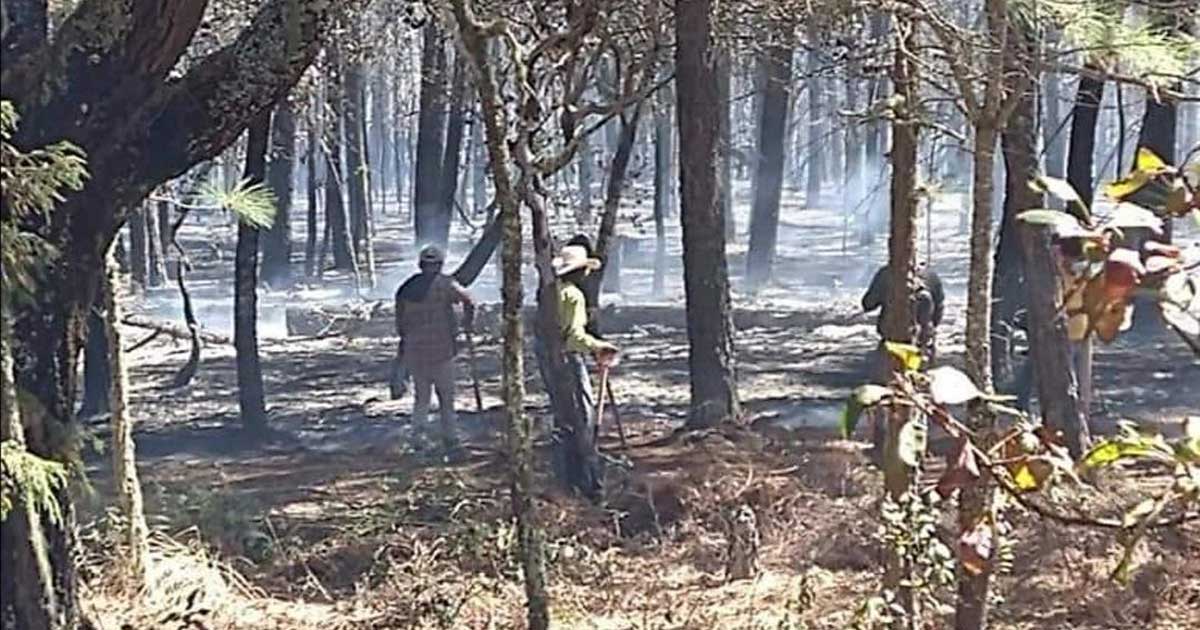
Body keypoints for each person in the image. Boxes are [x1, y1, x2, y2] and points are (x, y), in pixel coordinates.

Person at [537, 244, 619, 496]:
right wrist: (600, 346)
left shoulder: (549, 293)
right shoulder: (572, 295)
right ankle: (586, 480)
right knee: (583, 418)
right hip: (568, 361)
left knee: (565, 418)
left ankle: (569, 477)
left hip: (549, 362)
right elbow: (573, 337)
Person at [395, 245, 476, 450]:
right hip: (442, 351)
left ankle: (418, 438)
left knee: (422, 398)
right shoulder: (446, 285)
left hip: (416, 352)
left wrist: (407, 344)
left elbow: (400, 323)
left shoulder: (406, 288)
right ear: (439, 265)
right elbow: (470, 301)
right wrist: (467, 324)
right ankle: (450, 438)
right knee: (446, 398)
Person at [861, 262, 945, 363]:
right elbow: (938, 310)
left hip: (892, 338)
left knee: (890, 373)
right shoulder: (930, 274)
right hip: (923, 340)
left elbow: (868, 304)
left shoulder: (886, 274)